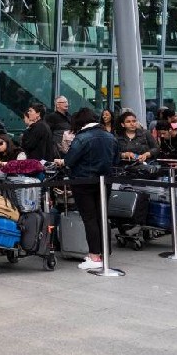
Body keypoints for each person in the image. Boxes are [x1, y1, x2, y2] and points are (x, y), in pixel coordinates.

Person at [57, 108, 119, 270]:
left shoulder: (81, 138)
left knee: (90, 219)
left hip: (83, 182)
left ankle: (94, 256)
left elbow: (70, 160)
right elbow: (116, 159)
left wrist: (63, 162)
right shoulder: (110, 136)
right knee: (102, 217)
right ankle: (105, 252)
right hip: (105, 181)